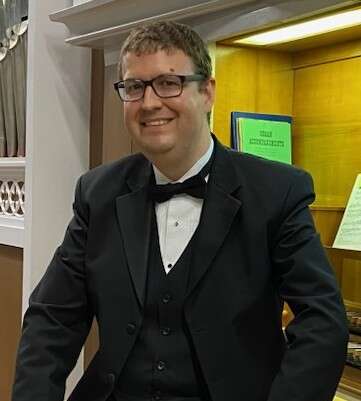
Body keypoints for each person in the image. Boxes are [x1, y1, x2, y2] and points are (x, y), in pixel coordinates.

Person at [12, 21, 348, 401]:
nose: (150, 102)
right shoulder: (97, 192)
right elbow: (51, 317)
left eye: (169, 83)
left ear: (207, 91)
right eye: (134, 87)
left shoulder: (278, 192)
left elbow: (323, 321)